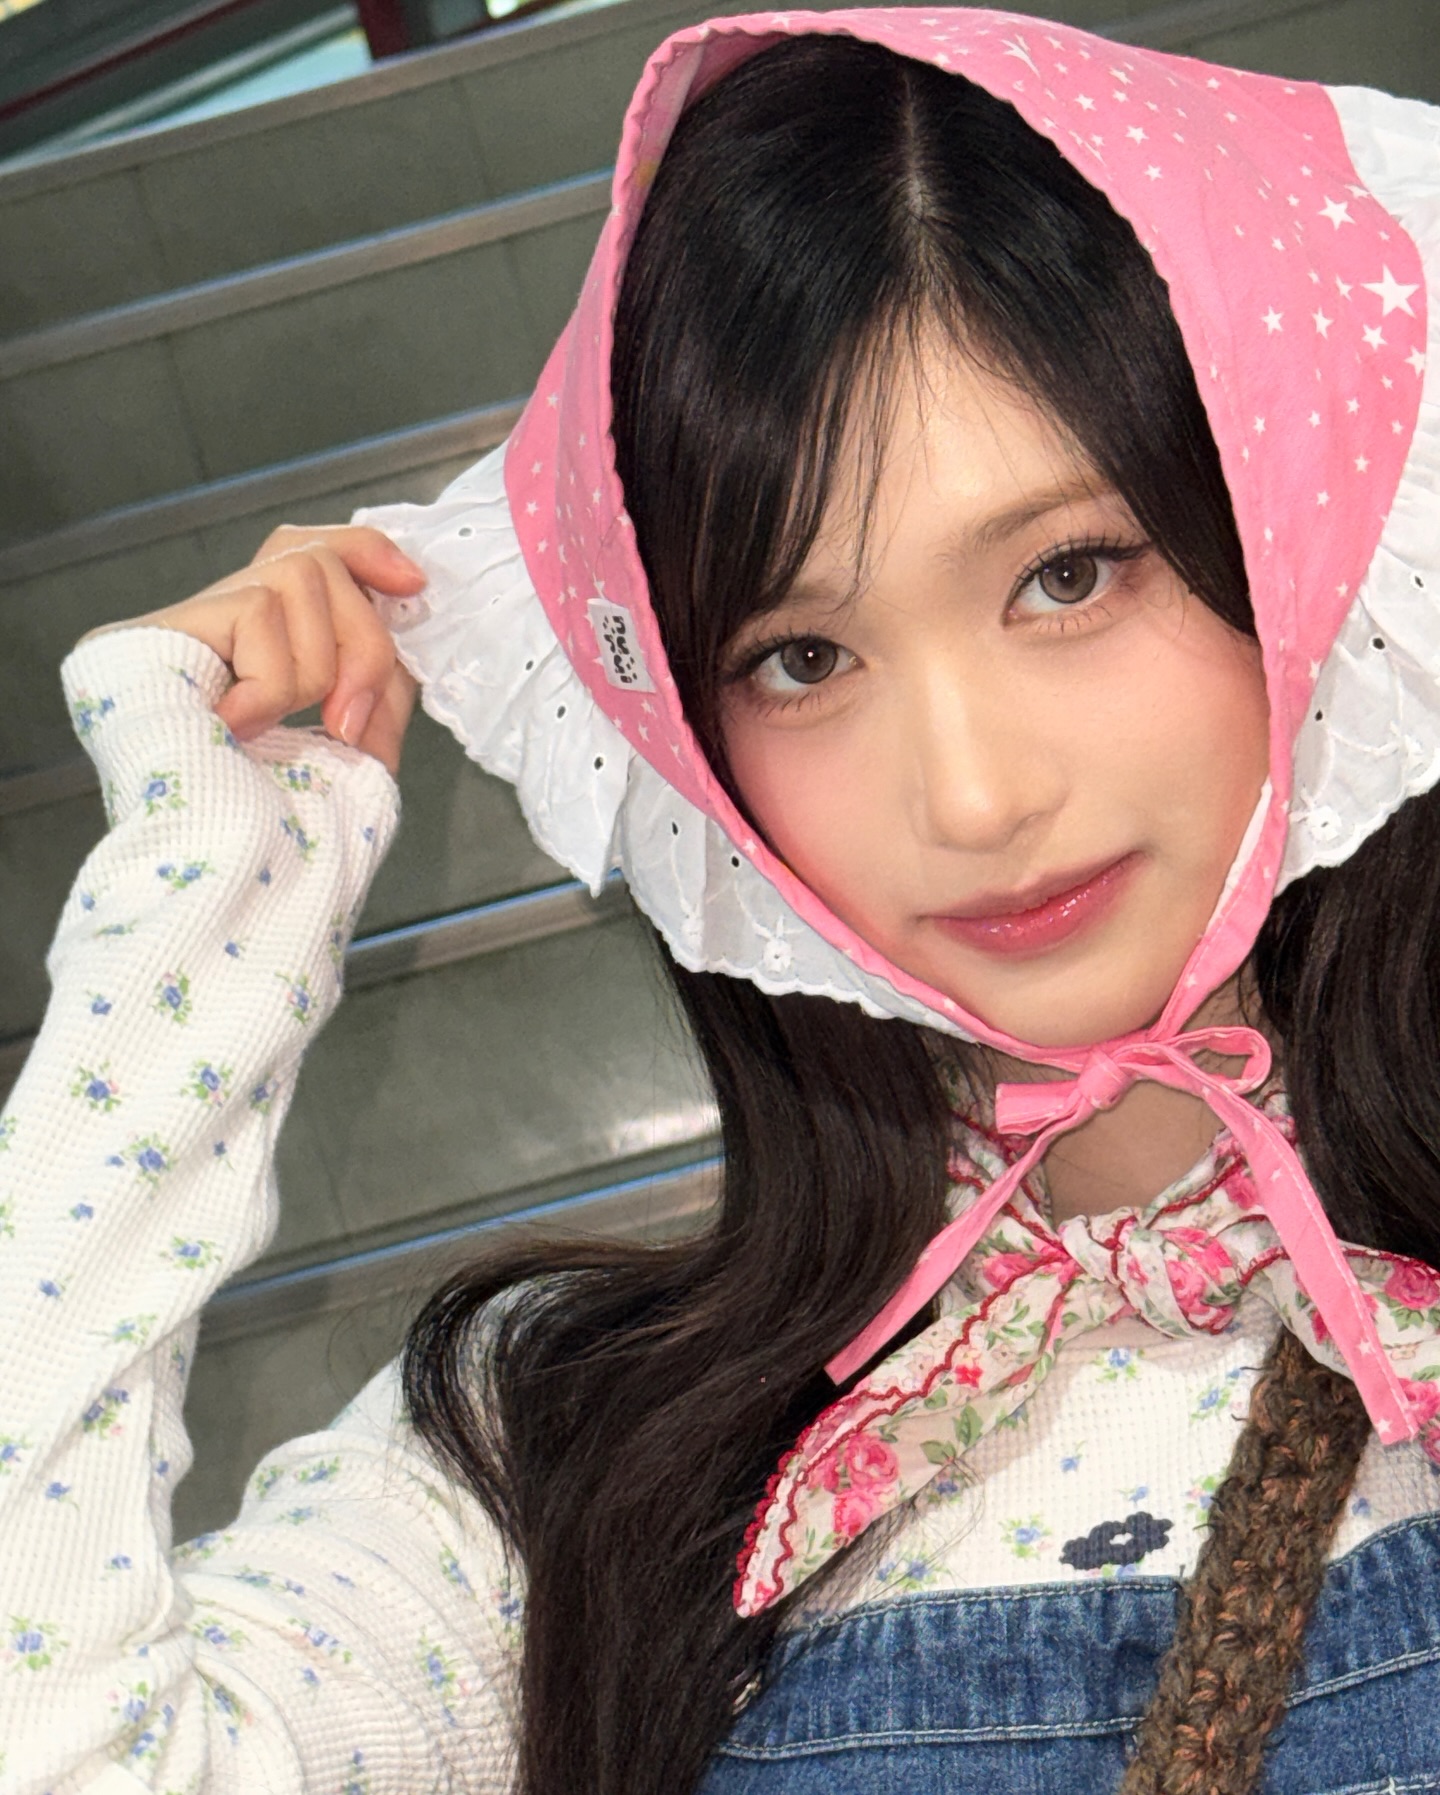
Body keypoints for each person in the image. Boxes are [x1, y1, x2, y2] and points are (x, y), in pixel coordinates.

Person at [1, 10, 1438, 1794]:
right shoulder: (566, 1465)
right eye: (801, 657)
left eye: (1068, 575)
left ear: (1308, 540)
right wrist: (200, 916)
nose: (975, 795)